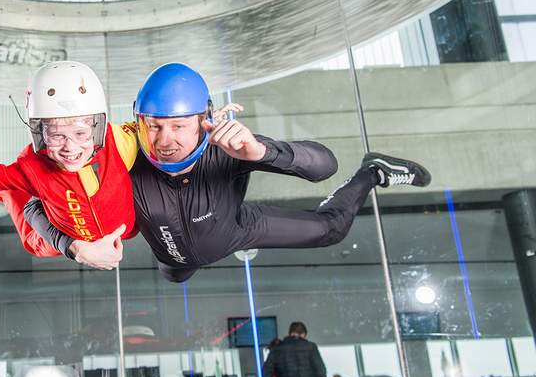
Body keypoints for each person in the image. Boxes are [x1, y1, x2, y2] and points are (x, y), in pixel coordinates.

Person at [33, 62, 431, 282]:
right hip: (173, 255)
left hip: (236, 229)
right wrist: (77, 248)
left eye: (180, 126)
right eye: (153, 125)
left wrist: (259, 150)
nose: (165, 139)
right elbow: (37, 204)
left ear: (205, 118)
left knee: (332, 231)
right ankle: (182, 263)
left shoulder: (228, 147)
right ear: (138, 120)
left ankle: (372, 174)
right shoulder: (123, 155)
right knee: (176, 273)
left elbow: (324, 165)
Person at [0, 61, 140, 270]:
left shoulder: (119, 142)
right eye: (56, 136)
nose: (70, 148)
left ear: (98, 126)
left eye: (80, 133)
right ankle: (11, 192)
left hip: (122, 227)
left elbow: (150, 133)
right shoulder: (32, 165)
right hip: (59, 227)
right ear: (40, 133)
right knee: (33, 240)